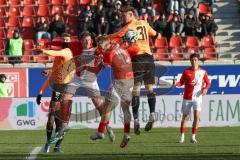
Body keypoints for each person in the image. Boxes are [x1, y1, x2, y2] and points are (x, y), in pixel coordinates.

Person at [49, 31, 116, 143]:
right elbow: (61, 43)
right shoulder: (75, 46)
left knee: (99, 105)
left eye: (88, 40)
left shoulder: (97, 50)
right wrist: (47, 44)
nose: (87, 42)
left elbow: (107, 49)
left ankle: (107, 127)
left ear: (91, 41)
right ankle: (64, 126)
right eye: (84, 40)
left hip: (90, 80)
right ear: (80, 41)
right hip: (76, 79)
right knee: (65, 99)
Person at [108, 6, 162, 134]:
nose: (123, 17)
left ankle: (136, 120)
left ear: (131, 14)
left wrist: (106, 37)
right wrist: (157, 35)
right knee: (150, 89)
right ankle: (152, 114)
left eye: (124, 15)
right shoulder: (144, 23)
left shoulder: (128, 28)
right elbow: (157, 35)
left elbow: (117, 36)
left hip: (137, 59)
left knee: (136, 89)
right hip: (149, 58)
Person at [88, 35, 137, 148]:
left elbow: (100, 68)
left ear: (106, 43)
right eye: (99, 46)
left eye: (101, 46)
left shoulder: (108, 53)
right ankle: (127, 133)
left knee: (106, 109)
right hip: (131, 80)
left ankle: (100, 132)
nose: (101, 48)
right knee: (125, 109)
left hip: (120, 82)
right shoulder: (118, 46)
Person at [39, 33, 76, 153]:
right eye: (63, 40)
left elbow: (55, 53)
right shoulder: (60, 56)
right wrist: (40, 92)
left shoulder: (67, 52)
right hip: (58, 88)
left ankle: (57, 146)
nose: (65, 41)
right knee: (51, 119)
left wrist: (43, 50)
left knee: (61, 121)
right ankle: (49, 143)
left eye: (67, 40)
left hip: (65, 88)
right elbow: (53, 74)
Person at [175, 53, 210, 143]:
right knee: (185, 117)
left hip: (197, 98)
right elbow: (181, 82)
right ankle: (182, 136)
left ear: (198, 61)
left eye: (196, 60)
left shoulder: (203, 72)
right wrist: (176, 84)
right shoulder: (186, 71)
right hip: (187, 98)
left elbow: (208, 83)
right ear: (190, 61)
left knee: (196, 117)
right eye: (192, 60)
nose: (194, 61)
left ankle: (193, 137)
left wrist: (205, 89)